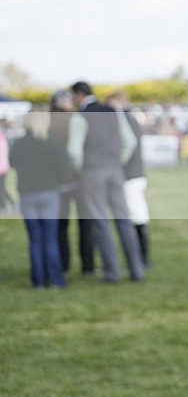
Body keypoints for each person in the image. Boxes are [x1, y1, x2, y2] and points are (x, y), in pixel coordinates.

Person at [68, 81, 145, 282]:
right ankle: (137, 270)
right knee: (124, 220)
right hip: (115, 170)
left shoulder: (80, 117)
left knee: (101, 222)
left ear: (78, 95)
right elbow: (129, 141)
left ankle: (113, 273)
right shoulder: (113, 111)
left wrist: (81, 169)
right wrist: (117, 162)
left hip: (92, 171)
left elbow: (74, 152)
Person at [9, 107, 70, 288]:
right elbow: (62, 168)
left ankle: (38, 281)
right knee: (50, 238)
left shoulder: (20, 144)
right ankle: (56, 280)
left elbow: (13, 162)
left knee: (35, 239)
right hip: (49, 193)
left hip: (28, 194)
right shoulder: (52, 143)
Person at [50, 89, 96, 275]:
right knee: (85, 224)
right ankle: (88, 267)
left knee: (61, 225)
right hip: (78, 177)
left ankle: (64, 266)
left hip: (59, 179)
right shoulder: (76, 120)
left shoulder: (48, 122)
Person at [106, 91, 151, 268]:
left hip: (130, 175)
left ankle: (141, 259)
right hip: (134, 174)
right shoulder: (130, 118)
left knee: (136, 216)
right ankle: (139, 258)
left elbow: (128, 145)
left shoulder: (123, 118)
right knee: (136, 215)